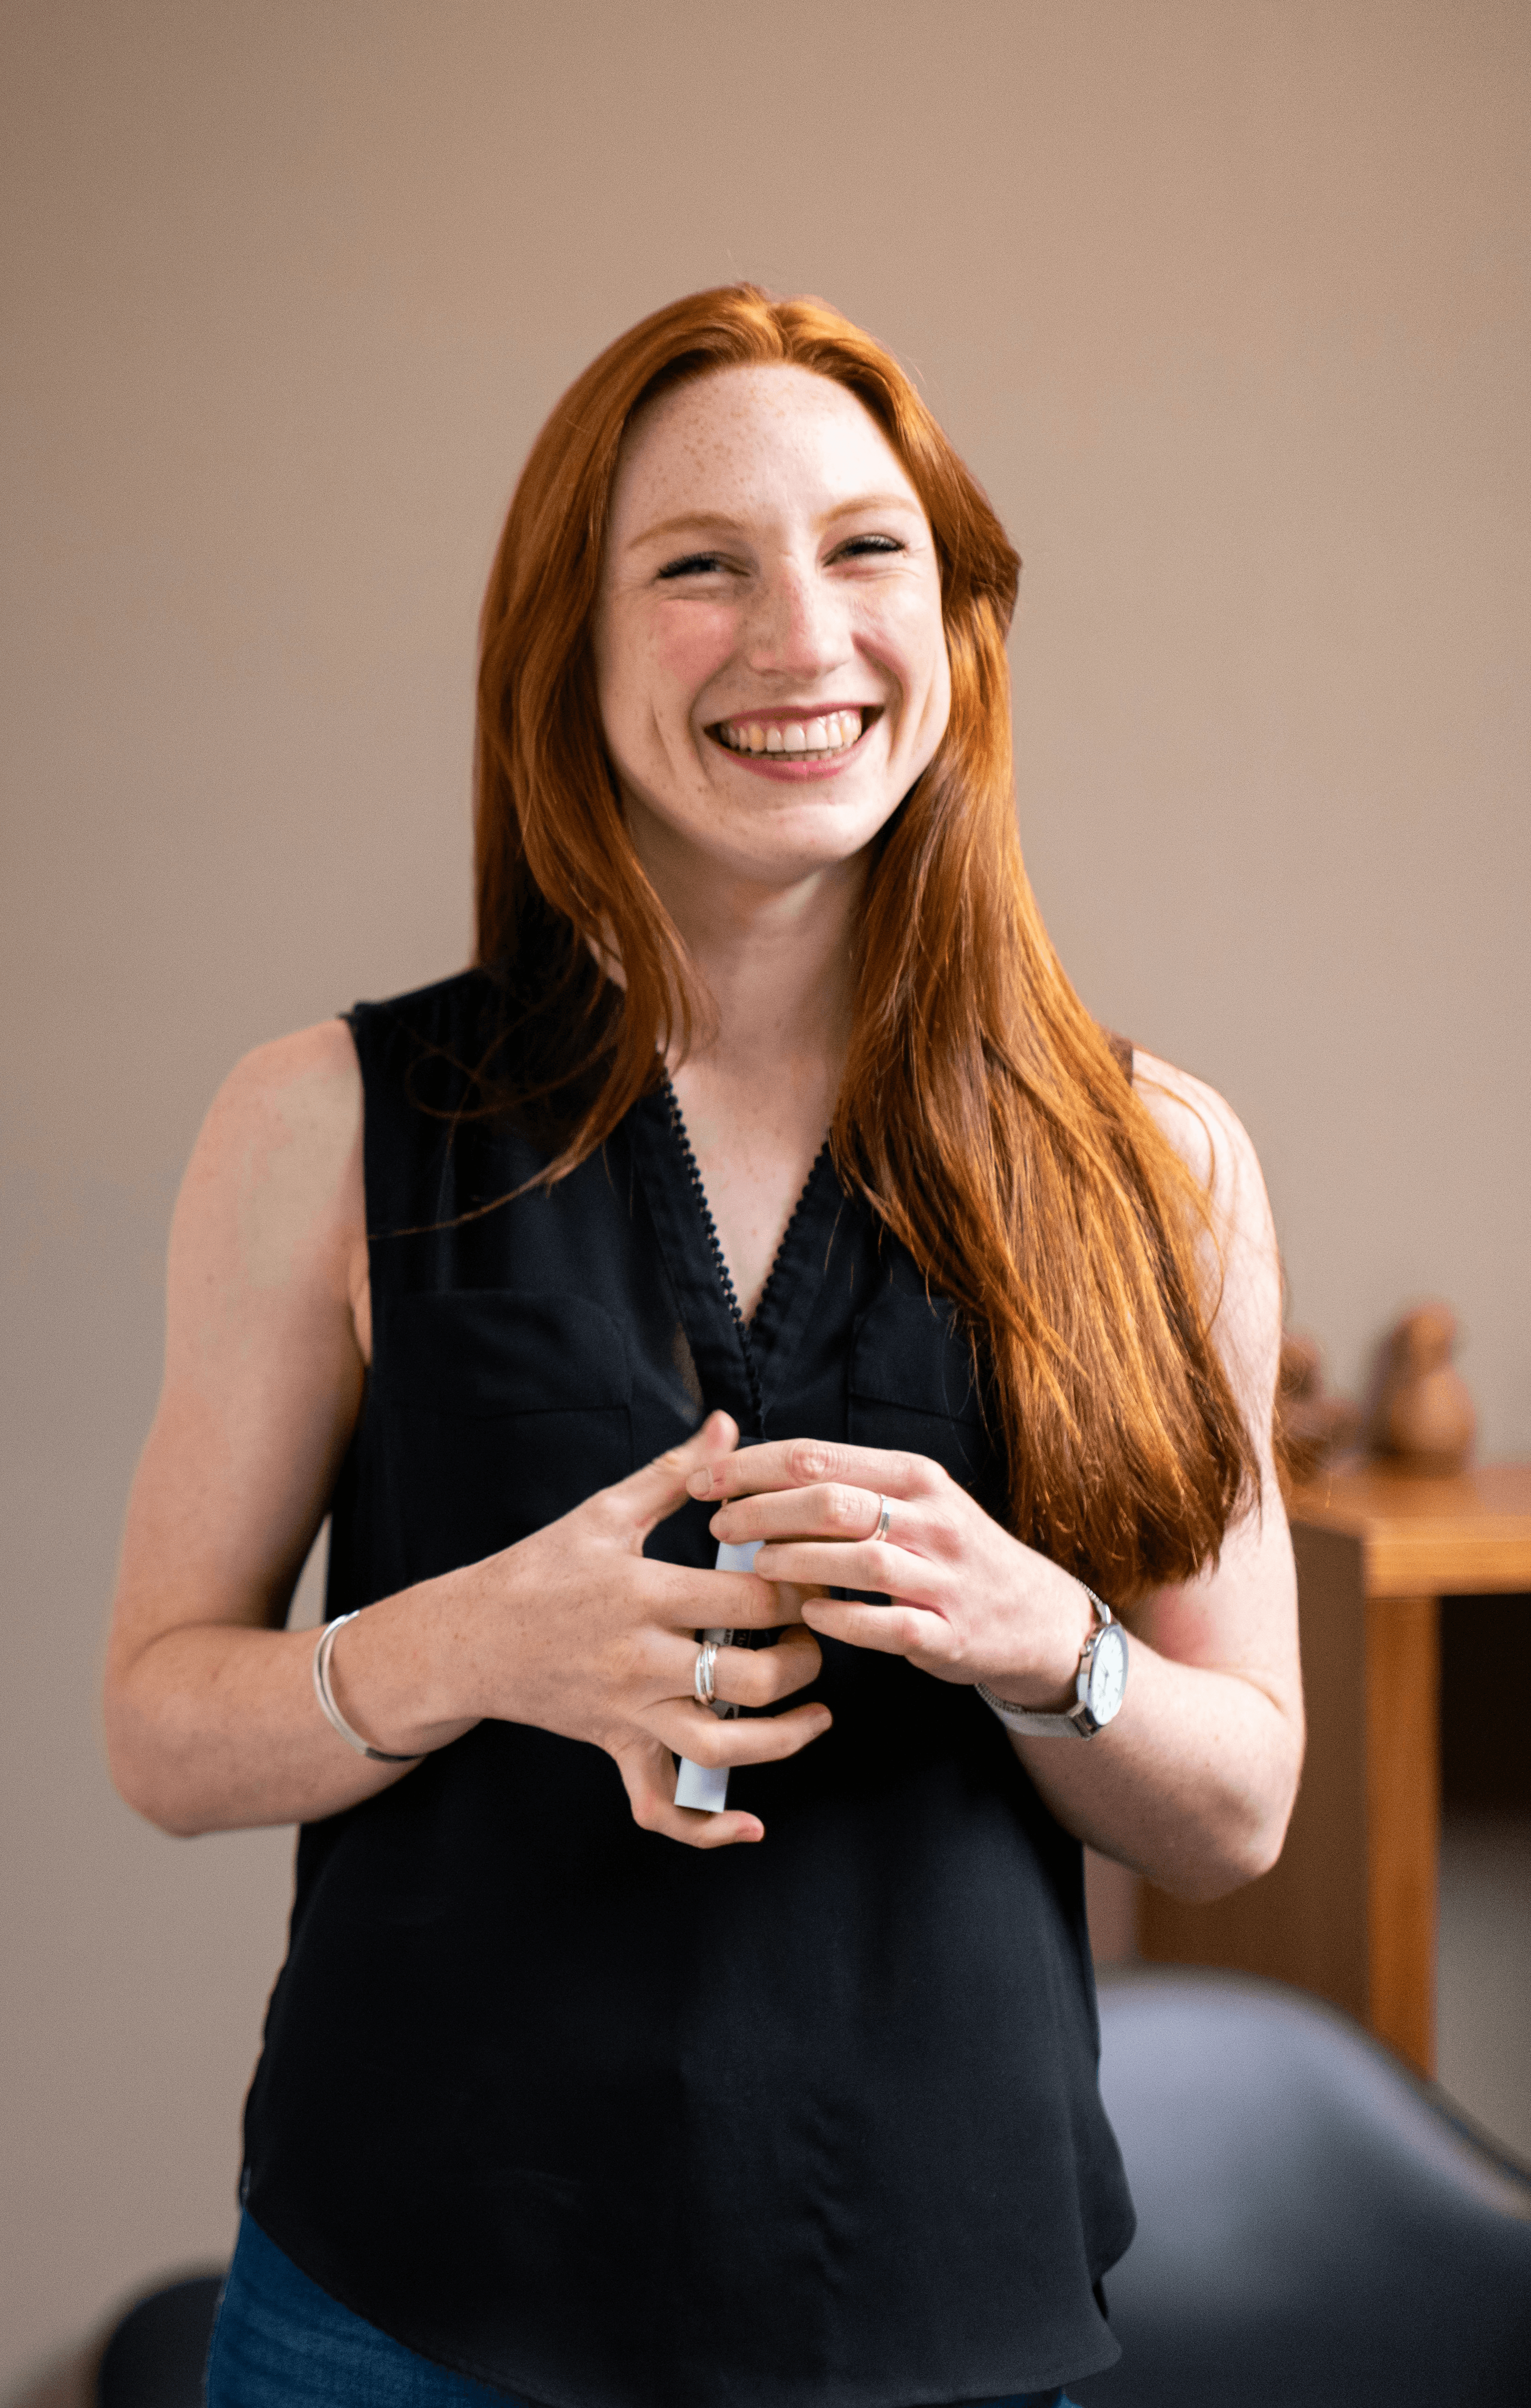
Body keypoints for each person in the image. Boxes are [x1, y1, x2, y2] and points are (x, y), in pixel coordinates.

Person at [103, 285, 1303, 2408]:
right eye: (698, 567)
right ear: (567, 643)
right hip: (405, 2315)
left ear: (959, 621)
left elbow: (1240, 1799)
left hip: (944, 2320)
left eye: (865, 550)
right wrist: (473, 1642)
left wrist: (1048, 1637)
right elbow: (164, 1725)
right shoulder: (324, 1122)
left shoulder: (1162, 1159)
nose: (799, 635)